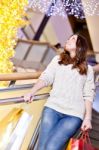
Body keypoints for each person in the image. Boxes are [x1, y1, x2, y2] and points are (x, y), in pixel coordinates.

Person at [24, 34, 95, 150]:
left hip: (73, 116)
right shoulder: (58, 60)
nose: (68, 39)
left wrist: (88, 118)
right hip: (52, 108)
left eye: (73, 39)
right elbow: (46, 77)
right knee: (42, 147)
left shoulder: (88, 70)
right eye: (69, 38)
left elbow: (89, 94)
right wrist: (32, 92)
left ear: (80, 46)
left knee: (51, 147)